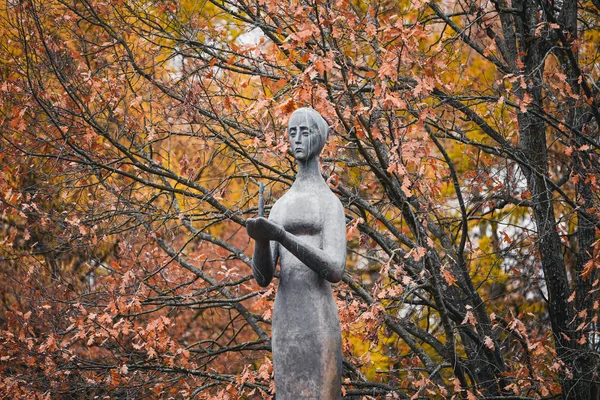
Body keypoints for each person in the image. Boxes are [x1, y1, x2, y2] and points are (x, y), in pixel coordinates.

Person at [246, 108, 346, 399]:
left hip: (318, 319)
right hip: (286, 321)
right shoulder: (282, 205)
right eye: (292, 132)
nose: (297, 139)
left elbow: (335, 269)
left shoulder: (329, 203)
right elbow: (263, 278)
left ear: (319, 137)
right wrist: (261, 241)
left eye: (305, 132)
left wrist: (282, 236)